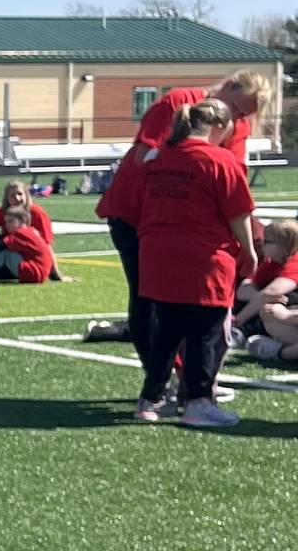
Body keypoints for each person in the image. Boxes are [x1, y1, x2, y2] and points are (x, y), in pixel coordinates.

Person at [95, 71, 269, 351]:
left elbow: (233, 177)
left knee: (190, 299)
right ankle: (159, 382)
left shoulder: (237, 125)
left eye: (241, 115)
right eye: (235, 108)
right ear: (228, 87)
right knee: (148, 297)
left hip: (183, 221)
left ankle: (189, 378)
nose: (235, 118)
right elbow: (144, 157)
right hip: (138, 214)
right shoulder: (178, 101)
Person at [133, 99, 255, 426]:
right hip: (203, 257)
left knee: (167, 331)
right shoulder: (219, 159)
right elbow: (239, 212)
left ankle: (151, 398)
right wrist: (249, 250)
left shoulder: (159, 158)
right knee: (205, 332)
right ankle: (198, 401)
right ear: (219, 127)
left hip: (159, 255)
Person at [240, 220, 298, 363]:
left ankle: (280, 352)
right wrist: (262, 297)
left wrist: (287, 315)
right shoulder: (273, 263)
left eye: (267, 241)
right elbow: (243, 290)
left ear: (283, 245)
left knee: (275, 309)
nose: (262, 245)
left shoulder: (294, 262)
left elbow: (272, 291)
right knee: (269, 311)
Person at [0, 208, 54, 284]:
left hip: (35, 272)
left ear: (23, 221)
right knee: (11, 253)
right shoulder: (31, 230)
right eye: (6, 222)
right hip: (40, 272)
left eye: (10, 221)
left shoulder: (21, 233)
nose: (7, 225)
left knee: (6, 254)